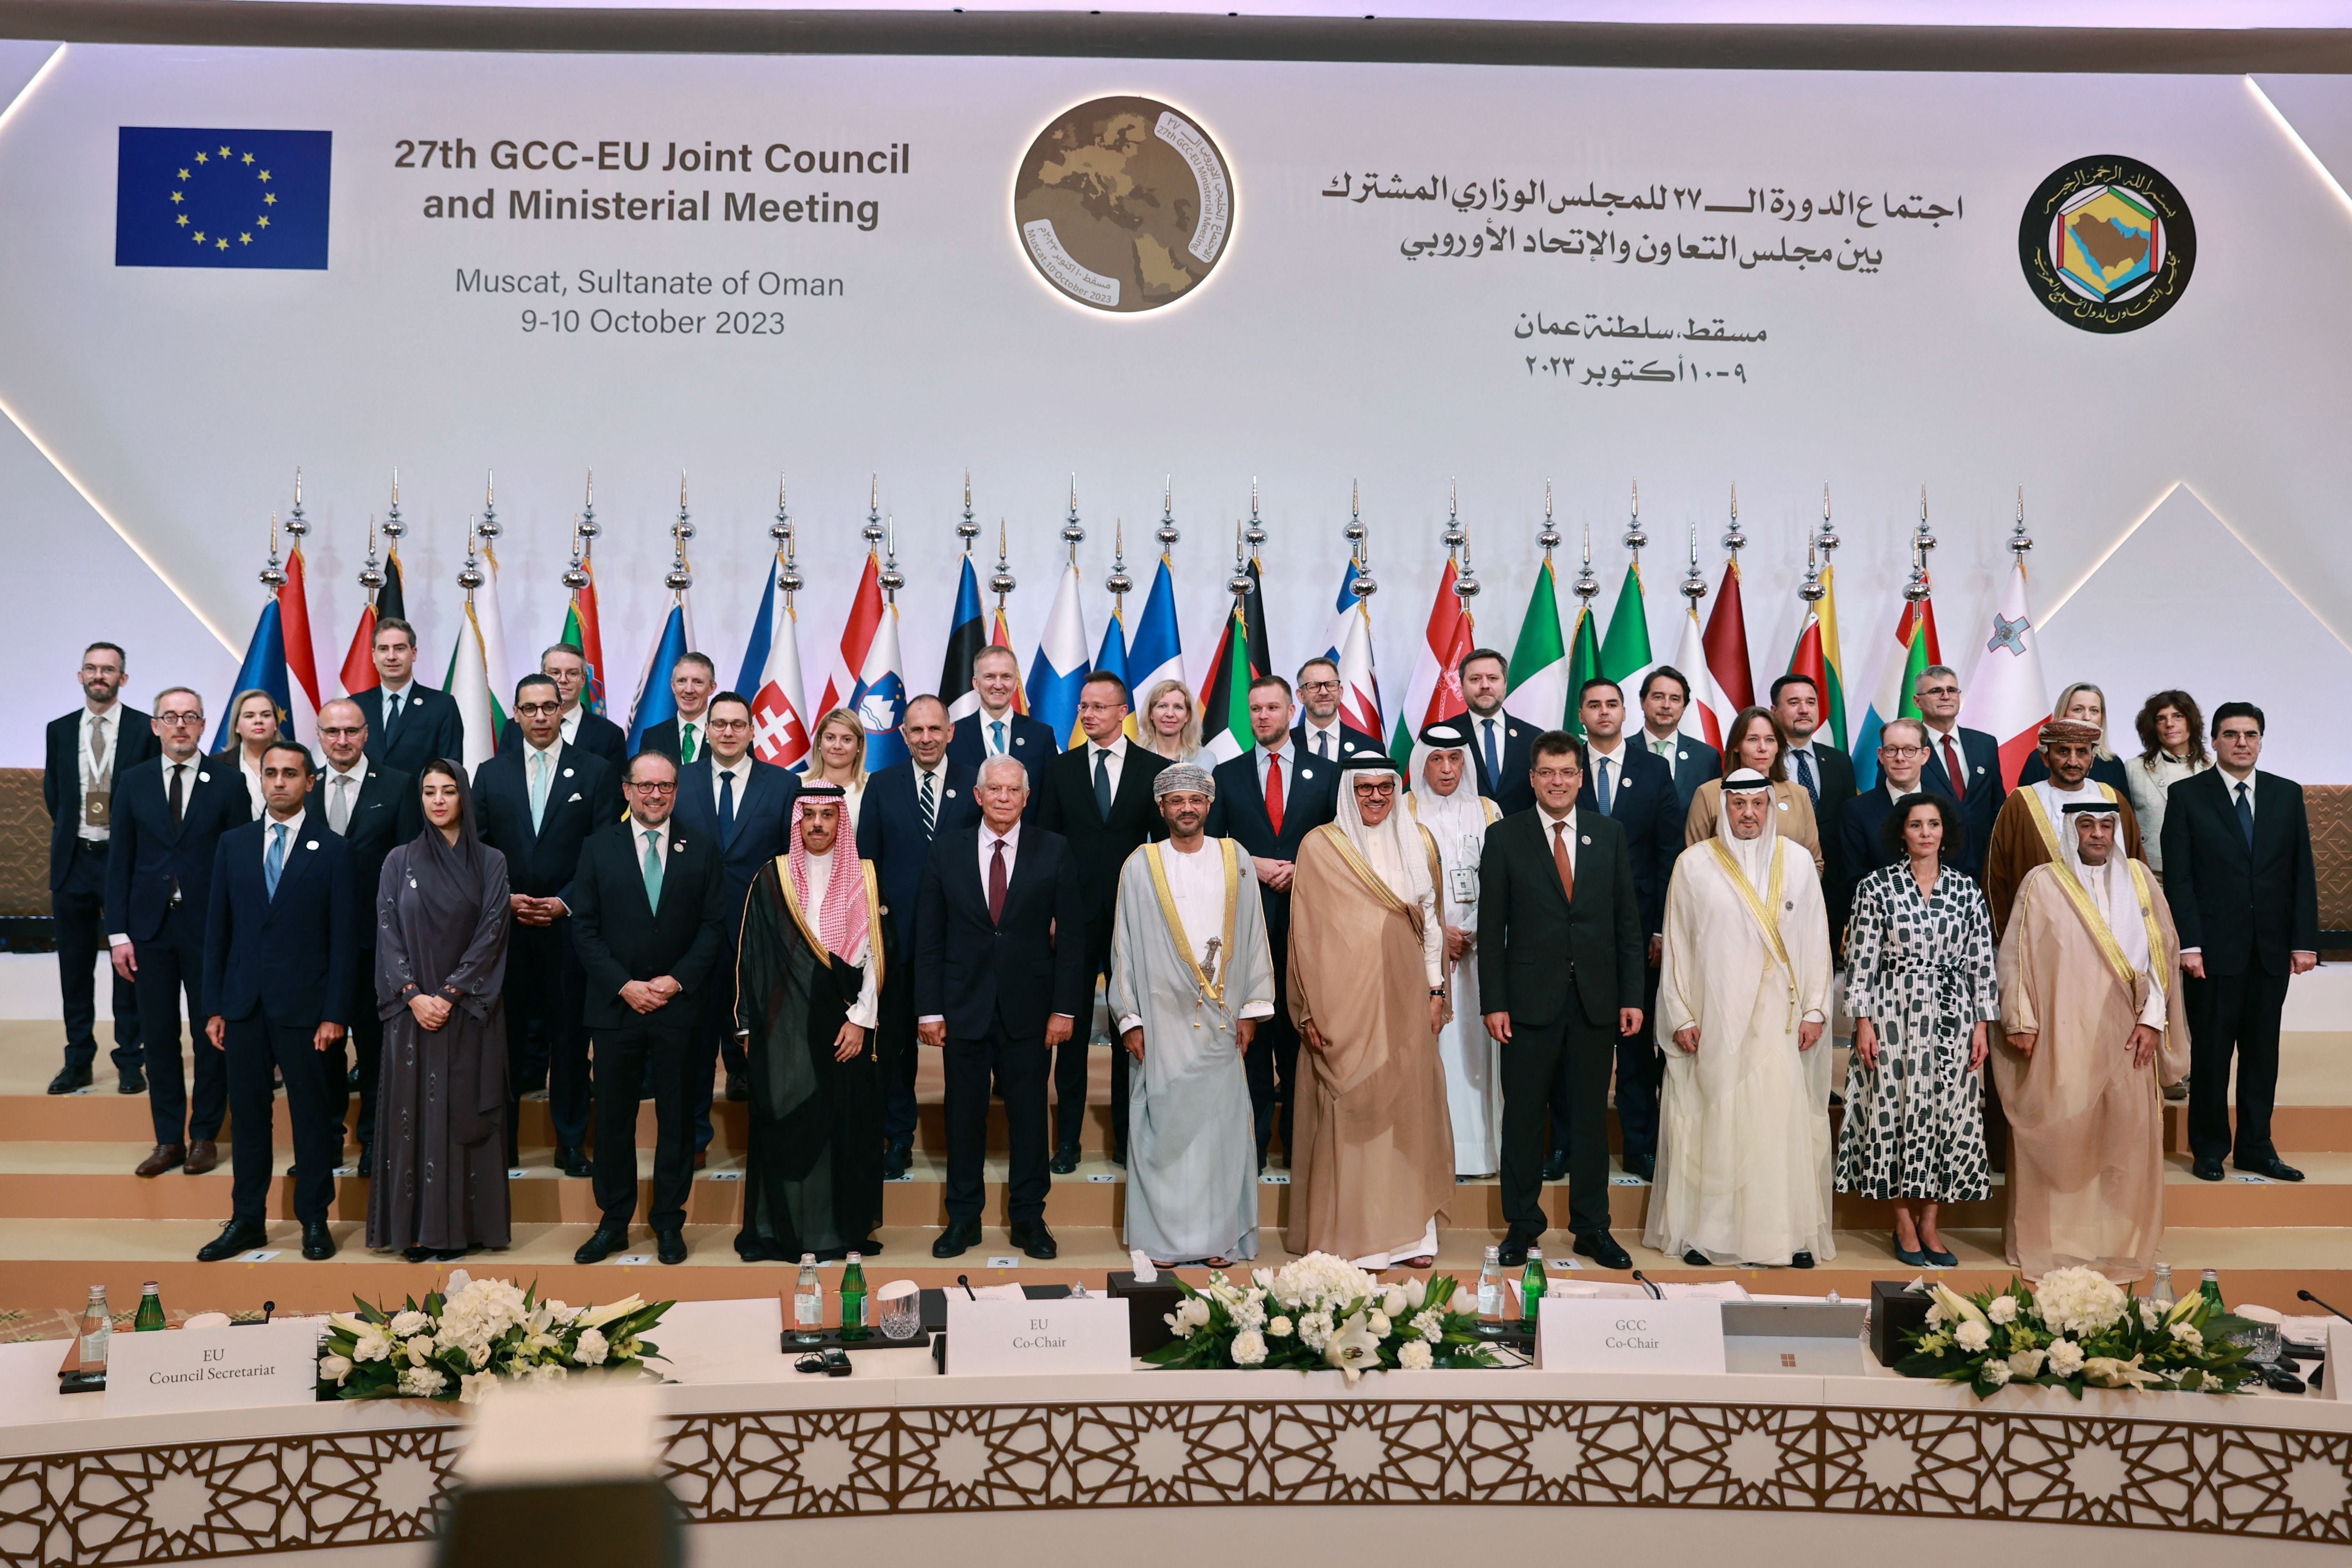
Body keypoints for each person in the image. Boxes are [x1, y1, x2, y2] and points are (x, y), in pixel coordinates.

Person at [1649, 769, 1836, 1269]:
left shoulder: (1797, 863)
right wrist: (1681, 1015)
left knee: (1778, 1126)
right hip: (1715, 1018)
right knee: (1715, 1123)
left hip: (1781, 1021)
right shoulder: (1693, 865)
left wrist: (1817, 1009)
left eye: (1758, 803)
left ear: (1771, 806)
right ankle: (1707, 1236)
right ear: (1724, 808)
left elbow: (1817, 940)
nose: (1748, 813)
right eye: (1739, 804)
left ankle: (1787, 1236)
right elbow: (1678, 947)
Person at [1995, 799, 2187, 1281]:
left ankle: (2113, 1242)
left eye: (2106, 825)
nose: (2098, 834)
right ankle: (2056, 1241)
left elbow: (2163, 956)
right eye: (2087, 826)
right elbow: (2015, 955)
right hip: (2065, 1030)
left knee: (2125, 1137)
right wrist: (2021, 1020)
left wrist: (2153, 1020)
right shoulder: (2043, 881)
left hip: (2129, 1031)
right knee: (2064, 1131)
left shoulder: (2141, 880)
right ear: (2071, 831)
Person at [1479, 733, 1644, 1271]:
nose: (1557, 781)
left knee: (1591, 1123)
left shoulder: (1609, 833)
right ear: (1532, 778)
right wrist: (1493, 1001)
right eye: (1547, 772)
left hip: (1595, 1003)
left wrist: (1631, 996)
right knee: (1524, 1119)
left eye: (1567, 772)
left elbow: (1626, 923)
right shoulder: (1504, 837)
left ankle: (1593, 1227)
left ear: (1580, 776)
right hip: (1526, 1005)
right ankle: (1523, 1225)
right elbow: (1492, 927)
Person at [917, 753, 1089, 1261]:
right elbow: (929, 936)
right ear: (978, 795)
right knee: (962, 1118)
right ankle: (963, 1220)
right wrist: (929, 1009)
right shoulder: (945, 850)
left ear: (1027, 797)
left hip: (1031, 1013)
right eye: (995, 789)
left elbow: (1073, 939)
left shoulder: (1053, 849)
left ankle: (1029, 1219)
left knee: (1031, 1118)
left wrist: (1065, 1009)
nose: (1004, 798)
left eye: (1014, 790)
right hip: (963, 1008)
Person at [1286, 754, 1453, 1269]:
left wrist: (1436, 990)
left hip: (1407, 995)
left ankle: (1410, 1239)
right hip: (1342, 1002)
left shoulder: (1420, 840)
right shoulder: (1321, 846)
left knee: (1407, 1107)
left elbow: (1431, 922)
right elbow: (1305, 936)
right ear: (1348, 792)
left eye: (1385, 787)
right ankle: (1356, 1237)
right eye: (1365, 789)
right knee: (1354, 1110)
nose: (1376, 797)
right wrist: (1312, 1011)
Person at [568, 749, 730, 1266]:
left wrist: (674, 981)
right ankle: (614, 1221)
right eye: (645, 786)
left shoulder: (702, 848)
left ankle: (667, 1221)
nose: (655, 794)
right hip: (617, 1009)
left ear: (676, 791)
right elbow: (585, 928)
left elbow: (712, 927)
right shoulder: (597, 847)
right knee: (613, 1120)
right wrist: (626, 985)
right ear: (627, 789)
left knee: (678, 1121)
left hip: (679, 1009)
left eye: (665, 786)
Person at [195, 741, 355, 1264]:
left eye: (291, 773)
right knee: (248, 1118)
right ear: (259, 780)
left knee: (311, 1117)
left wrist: (336, 1013)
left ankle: (314, 1220)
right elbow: (217, 932)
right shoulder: (233, 845)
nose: (280, 782)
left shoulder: (332, 850)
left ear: (311, 782)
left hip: (307, 1012)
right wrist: (214, 1006)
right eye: (271, 773)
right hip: (242, 1006)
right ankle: (247, 1220)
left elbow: (343, 940)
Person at [1110, 764, 1274, 1267]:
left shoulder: (1236, 857)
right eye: (1177, 800)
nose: (1187, 808)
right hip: (1160, 1019)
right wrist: (1130, 1017)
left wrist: (1250, 1010)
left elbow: (1252, 935)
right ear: (1161, 808)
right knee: (1164, 1125)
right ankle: (1162, 1241)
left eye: (1196, 800)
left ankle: (1219, 1239)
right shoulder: (1141, 864)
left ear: (1209, 805)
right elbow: (1125, 947)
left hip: (1224, 1019)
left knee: (1220, 1131)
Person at [1835, 793, 1997, 1269]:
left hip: (1954, 1017)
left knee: (1948, 1116)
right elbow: (1860, 960)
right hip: (1892, 1013)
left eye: (1934, 824)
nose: (1926, 832)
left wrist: (1982, 1024)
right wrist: (1862, 1021)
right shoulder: (1876, 887)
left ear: (1945, 831)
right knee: (1895, 1113)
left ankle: (1931, 1223)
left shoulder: (1967, 890)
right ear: (1900, 832)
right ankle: (1903, 1221)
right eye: (1916, 825)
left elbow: (1982, 961)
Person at [2161, 702, 2319, 1184]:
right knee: (2211, 1054)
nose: (2242, 743)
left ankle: (2256, 1147)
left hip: (2271, 950)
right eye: (2231, 734)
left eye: (2251, 734)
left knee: (2261, 1053)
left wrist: (2304, 941)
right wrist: (2189, 944)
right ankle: (2209, 1147)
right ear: (2214, 741)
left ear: (2261, 740)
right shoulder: (2187, 795)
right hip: (2210, 953)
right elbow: (2180, 878)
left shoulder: (2285, 795)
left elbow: (2301, 873)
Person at [733, 785, 889, 1262]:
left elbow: (874, 956)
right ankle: (782, 1232)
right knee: (785, 1119)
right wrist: (747, 1027)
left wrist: (861, 1021)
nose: (818, 824)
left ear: (842, 822)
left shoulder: (864, 876)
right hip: (784, 1031)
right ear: (797, 822)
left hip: (844, 1023)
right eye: (810, 816)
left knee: (842, 1125)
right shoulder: (772, 877)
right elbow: (752, 957)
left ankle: (838, 1233)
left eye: (828, 815)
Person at [473, 673, 621, 1174]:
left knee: (571, 1043)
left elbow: (605, 851)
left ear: (563, 710)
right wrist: (505, 900)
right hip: (507, 932)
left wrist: (565, 901)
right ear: (515, 713)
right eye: (529, 708)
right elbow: (480, 851)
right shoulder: (491, 774)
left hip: (570, 931)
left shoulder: (596, 771)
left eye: (548, 707)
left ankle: (572, 1143)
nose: (539, 716)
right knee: (507, 1044)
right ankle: (504, 1144)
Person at [368, 760, 513, 1262]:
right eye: (429, 791)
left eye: (448, 791)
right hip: (412, 1017)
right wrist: (413, 994)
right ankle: (415, 1229)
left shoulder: (491, 861)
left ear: (463, 797)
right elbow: (386, 932)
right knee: (412, 1118)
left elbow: (492, 933)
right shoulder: (398, 860)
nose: (438, 801)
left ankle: (463, 1230)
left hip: (468, 1012)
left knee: (461, 1116)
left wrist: (449, 995)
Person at [106, 688, 251, 1176]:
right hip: (149, 930)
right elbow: (120, 860)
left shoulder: (229, 784)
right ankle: (168, 1137)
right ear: (155, 725)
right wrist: (118, 934)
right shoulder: (132, 781)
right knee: (159, 1034)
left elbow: (241, 864)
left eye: (190, 717)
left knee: (212, 1032)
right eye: (171, 717)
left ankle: (204, 1135)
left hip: (209, 929)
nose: (181, 725)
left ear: (205, 724)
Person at [1035, 671, 1170, 1170]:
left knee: (1129, 1028)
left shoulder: (1155, 769)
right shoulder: (1060, 769)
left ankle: (1126, 1135)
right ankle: (1067, 1139)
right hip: (1070, 920)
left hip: (1134, 920)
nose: (1088, 714)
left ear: (1122, 712)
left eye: (1099, 706)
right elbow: (1044, 845)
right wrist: (1048, 911)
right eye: (1083, 706)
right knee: (1068, 1029)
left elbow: (1166, 854)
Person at [1207, 674, 1341, 1167]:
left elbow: (1341, 849)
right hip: (1248, 931)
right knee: (1255, 1040)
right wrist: (1253, 863)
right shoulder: (1227, 774)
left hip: (1311, 931)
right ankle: (1256, 1147)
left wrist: (1302, 869)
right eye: (1256, 709)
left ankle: (1301, 1147)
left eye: (1272, 708)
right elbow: (1214, 849)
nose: (1263, 716)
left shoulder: (1327, 774)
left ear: (1292, 711)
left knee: (1302, 1041)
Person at [1561, 678, 1682, 1184]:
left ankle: (1639, 1146)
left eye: (1612, 704)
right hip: (1573, 933)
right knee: (1570, 1049)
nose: (1604, 712)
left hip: (1636, 937)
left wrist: (1658, 931)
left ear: (1625, 711)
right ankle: (1565, 1147)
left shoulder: (1653, 770)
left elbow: (1667, 853)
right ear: (1581, 714)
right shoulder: (1563, 770)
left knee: (1635, 1047)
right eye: (1594, 705)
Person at [857, 695, 980, 1177]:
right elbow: (868, 864)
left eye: (935, 728)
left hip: (967, 942)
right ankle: (899, 1136)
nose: (926, 738)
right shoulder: (882, 785)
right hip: (899, 941)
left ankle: (963, 1140)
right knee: (895, 1049)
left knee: (966, 1048)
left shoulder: (978, 781)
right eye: (916, 730)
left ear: (950, 732)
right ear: (903, 735)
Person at [671, 691, 798, 1147]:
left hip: (761, 932)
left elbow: (792, 860)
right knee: (697, 1043)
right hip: (694, 935)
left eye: (737, 724)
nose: (728, 732)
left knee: (762, 1042)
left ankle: (765, 1145)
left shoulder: (782, 784)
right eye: (719, 724)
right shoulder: (678, 782)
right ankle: (696, 1137)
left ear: (751, 730)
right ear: (705, 730)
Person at [314, 698, 421, 1173]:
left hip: (376, 945)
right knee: (323, 1051)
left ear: (366, 734)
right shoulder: (303, 785)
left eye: (351, 732)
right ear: (319, 735)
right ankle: (327, 1140)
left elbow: (409, 868)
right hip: (315, 948)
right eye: (332, 732)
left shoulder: (398, 786)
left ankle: (376, 1143)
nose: (342, 741)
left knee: (379, 1051)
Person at [44, 641, 156, 1095]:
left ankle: (131, 1058)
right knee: (74, 965)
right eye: (91, 668)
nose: (99, 676)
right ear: (80, 675)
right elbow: (56, 794)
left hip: (123, 860)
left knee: (128, 964)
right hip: (74, 861)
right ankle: (78, 1059)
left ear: (123, 679)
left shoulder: (142, 730)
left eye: (109, 670)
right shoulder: (59, 729)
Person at [1408, 722, 1502, 1176]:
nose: (1447, 769)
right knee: (1434, 1047)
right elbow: (1397, 885)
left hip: (1482, 953)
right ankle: (1432, 1156)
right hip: (1425, 953)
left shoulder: (1487, 810)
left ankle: (1479, 1153)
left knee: (1477, 1049)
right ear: (1421, 763)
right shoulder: (1403, 811)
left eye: (1455, 759)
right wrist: (1437, 933)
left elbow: (1504, 879)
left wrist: (1478, 930)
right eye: (1436, 759)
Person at [1982, 719, 2144, 938]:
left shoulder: (2113, 800)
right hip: (2043, 932)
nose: (2073, 761)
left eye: (2082, 752)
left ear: (2092, 758)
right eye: (2063, 751)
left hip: (2111, 930)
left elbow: (2136, 867)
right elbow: (1997, 877)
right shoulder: (2021, 802)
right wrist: (2001, 938)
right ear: (2045, 757)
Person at [1682, 707, 1825, 877]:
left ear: (1779, 746)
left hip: (1788, 900)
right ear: (1736, 746)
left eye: (1770, 740)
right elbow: (1693, 862)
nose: (1763, 748)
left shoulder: (1799, 794)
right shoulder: (1708, 794)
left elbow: (1815, 864)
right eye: (1753, 739)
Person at [1772, 673, 1858, 918]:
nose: (1804, 710)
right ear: (1774, 710)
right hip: (1775, 883)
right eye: (1794, 703)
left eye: (1811, 702)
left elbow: (1847, 824)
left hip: (1831, 888)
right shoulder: (1764, 761)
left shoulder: (1840, 761)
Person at [1837, 718, 1945, 909]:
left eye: (1910, 750)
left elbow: (1963, 871)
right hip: (1880, 922)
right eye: (1892, 750)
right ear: (1881, 755)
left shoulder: (1946, 807)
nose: (1900, 758)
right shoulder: (1855, 811)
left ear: (1925, 755)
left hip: (1941, 921)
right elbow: (1854, 880)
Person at [1914, 664, 2003, 874]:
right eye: (1936, 691)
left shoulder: (1985, 744)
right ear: (1917, 701)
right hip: (1929, 865)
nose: (1946, 696)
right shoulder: (1907, 748)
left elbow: (1997, 806)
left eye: (1952, 690)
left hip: (1984, 864)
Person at [349, 618, 464, 779]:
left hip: (418, 802)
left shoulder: (442, 706)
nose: (391, 657)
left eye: (400, 648)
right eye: (384, 649)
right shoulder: (356, 705)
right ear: (374, 656)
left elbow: (449, 769)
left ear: (414, 653)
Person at [948, 645, 1056, 796]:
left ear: (1015, 682)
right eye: (990, 677)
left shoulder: (1041, 736)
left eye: (1006, 677)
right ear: (976, 683)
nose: (998, 685)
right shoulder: (953, 735)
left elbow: (1050, 796)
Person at [498, 642, 628, 768]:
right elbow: (502, 776)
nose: (563, 680)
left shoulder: (609, 734)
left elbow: (614, 788)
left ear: (583, 680)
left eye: (572, 674)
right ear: (543, 676)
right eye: (555, 673)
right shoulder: (514, 728)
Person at [2125, 689, 2210, 881]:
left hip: (2205, 875)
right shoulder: (2134, 769)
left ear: (2191, 721)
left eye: (2178, 716)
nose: (2169, 724)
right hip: (2152, 876)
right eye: (2161, 719)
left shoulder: (2214, 767)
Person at [1460, 647, 1537, 816]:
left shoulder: (1535, 738)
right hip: (1460, 836)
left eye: (1493, 678)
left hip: (1521, 836)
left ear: (1505, 684)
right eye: (1475, 679)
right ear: (1462, 686)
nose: (1485, 686)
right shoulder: (1445, 735)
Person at [2018, 682, 2132, 792]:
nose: (2087, 717)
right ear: (2063, 714)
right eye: (2078, 710)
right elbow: (2024, 806)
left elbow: (2125, 811)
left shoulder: (2114, 764)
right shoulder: (2039, 760)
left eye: (2094, 711)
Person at [1636, 666, 1720, 811]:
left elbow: (1714, 812)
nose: (1666, 705)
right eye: (1658, 697)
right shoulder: (1622, 750)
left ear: (1684, 706)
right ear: (1643, 701)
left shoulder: (1707, 757)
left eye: (1675, 699)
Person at [1291, 655, 1385, 766]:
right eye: (1314, 686)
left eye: (1330, 685)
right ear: (1301, 696)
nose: (1324, 692)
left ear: (1340, 693)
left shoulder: (1370, 748)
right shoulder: (1282, 745)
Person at [638, 652, 719, 763]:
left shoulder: (729, 734)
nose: (689, 690)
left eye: (698, 682)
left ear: (712, 688)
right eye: (682, 681)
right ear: (673, 686)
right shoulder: (653, 737)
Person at [806, 707, 869, 826]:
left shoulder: (873, 787)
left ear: (859, 745)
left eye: (846, 739)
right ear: (820, 741)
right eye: (830, 738)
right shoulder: (797, 784)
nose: (837, 746)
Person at [221, 688, 278, 816]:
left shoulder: (295, 763)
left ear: (276, 724)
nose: (259, 721)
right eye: (250, 716)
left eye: (266, 715)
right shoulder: (217, 765)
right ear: (236, 726)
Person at [1138, 678, 1201, 764]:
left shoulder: (1206, 759)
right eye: (1163, 706)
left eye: (1178, 707)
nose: (1170, 714)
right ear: (1151, 713)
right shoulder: (1135, 758)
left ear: (1187, 716)